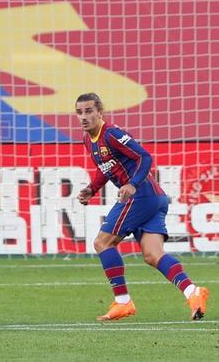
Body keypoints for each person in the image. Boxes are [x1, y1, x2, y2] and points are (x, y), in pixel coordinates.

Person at [75, 92, 209, 321]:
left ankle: (123, 301)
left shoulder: (112, 134)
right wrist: (92, 188)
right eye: (79, 112)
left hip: (142, 196)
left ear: (100, 112)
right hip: (154, 199)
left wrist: (133, 184)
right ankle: (193, 292)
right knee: (152, 254)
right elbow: (105, 167)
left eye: (89, 111)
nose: (84, 117)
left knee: (102, 242)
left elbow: (144, 157)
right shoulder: (89, 140)